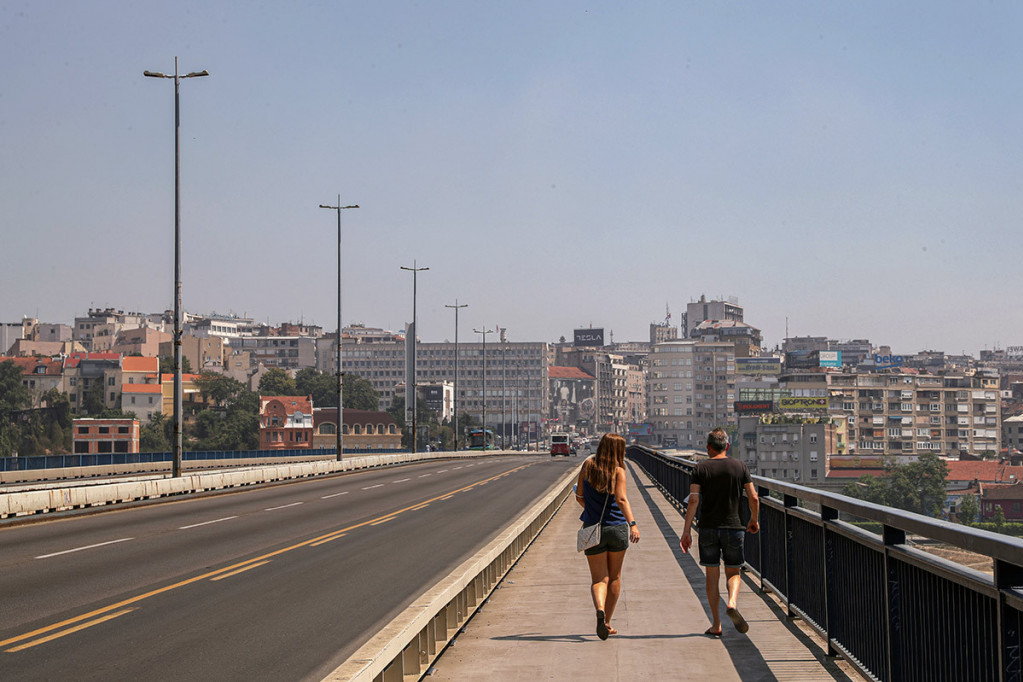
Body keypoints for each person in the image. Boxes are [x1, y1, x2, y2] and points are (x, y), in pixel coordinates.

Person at [680, 428, 759, 637]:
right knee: (733, 572)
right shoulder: (740, 466)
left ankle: (716, 625)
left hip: (708, 528)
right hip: (734, 528)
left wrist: (686, 530)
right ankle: (732, 602)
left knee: (711, 576)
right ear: (727, 446)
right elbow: (754, 497)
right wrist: (753, 519)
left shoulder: (701, 468)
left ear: (708, 447)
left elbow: (694, 500)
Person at [575, 433, 640, 640]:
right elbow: (621, 499)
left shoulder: (587, 466)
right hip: (616, 528)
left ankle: (600, 609)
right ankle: (608, 622)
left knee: (598, 579)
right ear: (618, 451)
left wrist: (592, 512)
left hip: (592, 529)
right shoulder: (619, 471)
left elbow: (579, 496)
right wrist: (633, 524)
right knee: (614, 577)